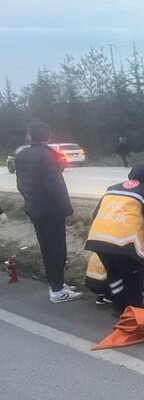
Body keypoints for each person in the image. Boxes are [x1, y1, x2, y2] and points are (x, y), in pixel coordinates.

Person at [85, 165, 144, 316]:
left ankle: (119, 307)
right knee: (134, 273)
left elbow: (95, 214)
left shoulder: (112, 189)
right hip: (123, 243)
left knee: (114, 274)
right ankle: (135, 309)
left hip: (98, 239)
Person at [15, 122, 82, 303]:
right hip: (51, 211)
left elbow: (21, 183)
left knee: (47, 248)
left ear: (29, 136)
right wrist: (68, 211)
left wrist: (31, 199)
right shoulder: (47, 156)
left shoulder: (21, 155)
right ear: (49, 136)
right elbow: (56, 186)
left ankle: (56, 284)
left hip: (34, 209)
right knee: (57, 249)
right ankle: (58, 291)